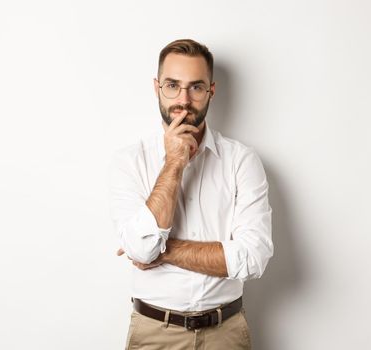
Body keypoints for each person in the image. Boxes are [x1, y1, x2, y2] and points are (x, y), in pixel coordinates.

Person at [110, 38, 273, 350]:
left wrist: (162, 250)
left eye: (196, 87)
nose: (183, 99)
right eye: (172, 85)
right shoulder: (129, 161)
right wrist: (173, 162)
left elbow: (253, 258)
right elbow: (141, 251)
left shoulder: (241, 160)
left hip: (226, 332)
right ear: (158, 88)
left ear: (211, 91)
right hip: (154, 332)